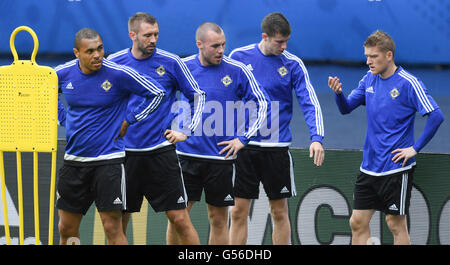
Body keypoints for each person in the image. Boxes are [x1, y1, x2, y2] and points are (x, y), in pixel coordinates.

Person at [328, 30, 444, 245]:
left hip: (396, 167)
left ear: (388, 55)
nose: (368, 62)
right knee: (357, 221)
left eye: (374, 57)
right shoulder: (368, 79)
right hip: (369, 166)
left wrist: (415, 148)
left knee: (394, 223)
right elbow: (346, 108)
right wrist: (338, 94)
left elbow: (436, 116)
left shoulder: (409, 83)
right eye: (366, 56)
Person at [55, 28, 165, 245]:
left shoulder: (118, 73)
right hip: (74, 162)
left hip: (109, 162)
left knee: (112, 228)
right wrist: (62, 118)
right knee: (66, 228)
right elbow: (41, 90)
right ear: (77, 53)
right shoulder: (62, 73)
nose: (97, 55)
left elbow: (157, 93)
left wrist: (130, 119)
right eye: (90, 51)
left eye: (100, 49)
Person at [107, 12, 204, 245]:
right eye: (147, 35)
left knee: (180, 218)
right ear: (132, 35)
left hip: (160, 152)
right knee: (118, 221)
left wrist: (186, 130)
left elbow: (197, 96)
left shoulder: (171, 62)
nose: (153, 39)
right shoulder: (114, 62)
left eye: (156, 34)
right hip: (123, 154)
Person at [167, 22, 268, 245]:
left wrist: (243, 139)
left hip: (220, 158)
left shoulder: (237, 71)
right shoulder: (182, 68)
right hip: (185, 156)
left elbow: (262, 103)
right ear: (199, 45)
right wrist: (170, 128)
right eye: (215, 46)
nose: (221, 50)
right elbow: (161, 98)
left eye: (223, 45)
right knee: (178, 217)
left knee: (219, 219)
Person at [228, 12, 325, 245]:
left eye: (286, 41)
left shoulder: (293, 64)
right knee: (238, 212)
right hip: (244, 147)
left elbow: (309, 102)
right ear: (265, 36)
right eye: (279, 42)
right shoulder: (238, 57)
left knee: (279, 212)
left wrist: (317, 137)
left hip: (277, 148)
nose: (284, 46)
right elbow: (226, 99)